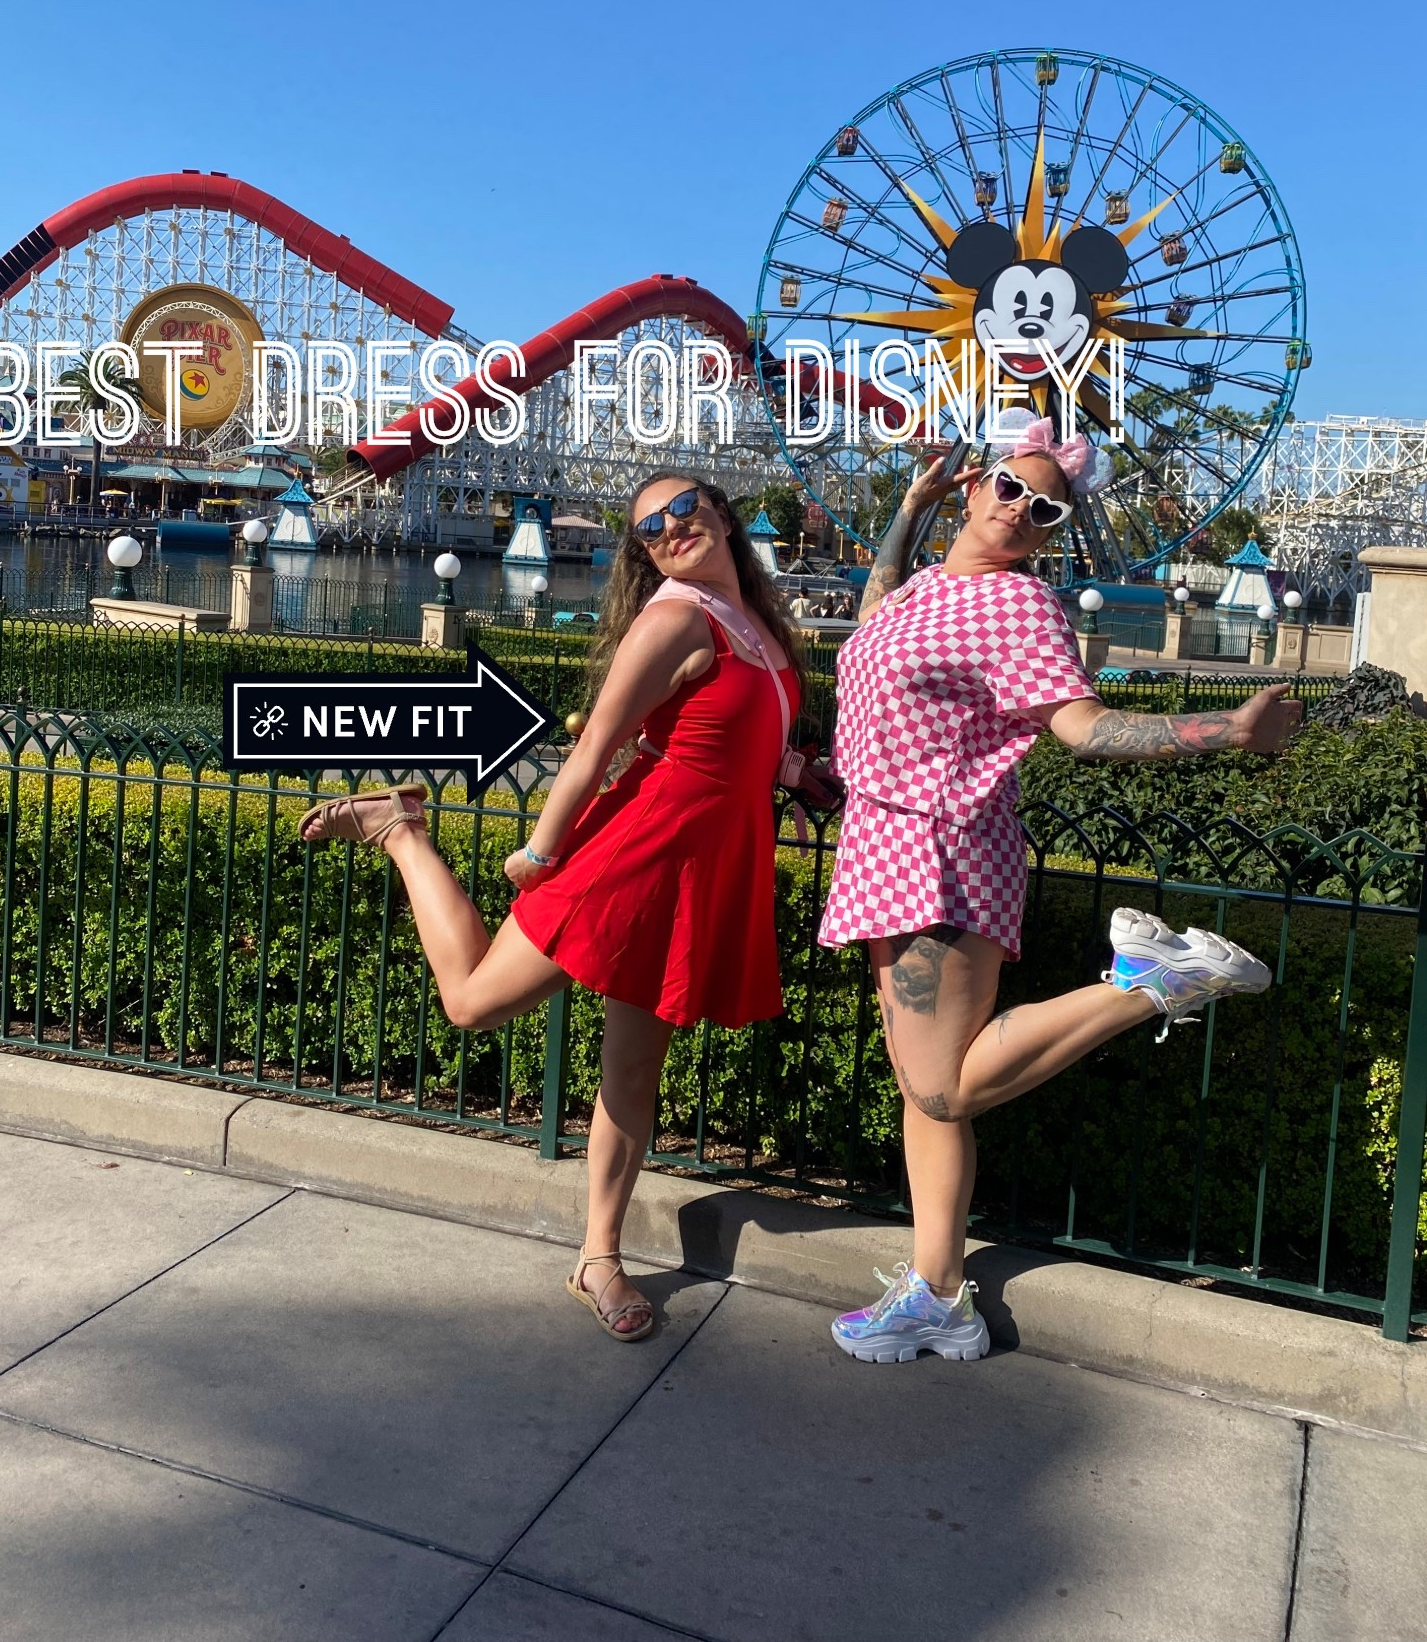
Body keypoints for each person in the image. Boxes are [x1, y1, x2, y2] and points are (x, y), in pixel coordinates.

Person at [299, 473, 830, 1342]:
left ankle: (598, 1257)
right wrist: (540, 853)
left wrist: (792, 771)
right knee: (472, 1002)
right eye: (650, 528)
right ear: (645, 552)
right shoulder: (675, 618)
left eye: (683, 508)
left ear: (723, 514)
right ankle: (399, 831)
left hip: (700, 870)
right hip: (631, 854)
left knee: (633, 1073)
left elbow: (729, 735)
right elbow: (591, 752)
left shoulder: (761, 629)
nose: (670, 528)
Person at [819, 417, 1301, 1365]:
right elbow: (870, 619)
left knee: (940, 1087)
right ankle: (939, 1294)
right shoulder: (923, 587)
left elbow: (1082, 726)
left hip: (941, 846)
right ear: (974, 486)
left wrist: (1224, 732)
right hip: (881, 841)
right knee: (925, 1095)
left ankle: (1148, 980)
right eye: (1011, 488)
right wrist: (907, 511)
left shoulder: (1021, 607)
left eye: (1046, 510)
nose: (1024, 512)